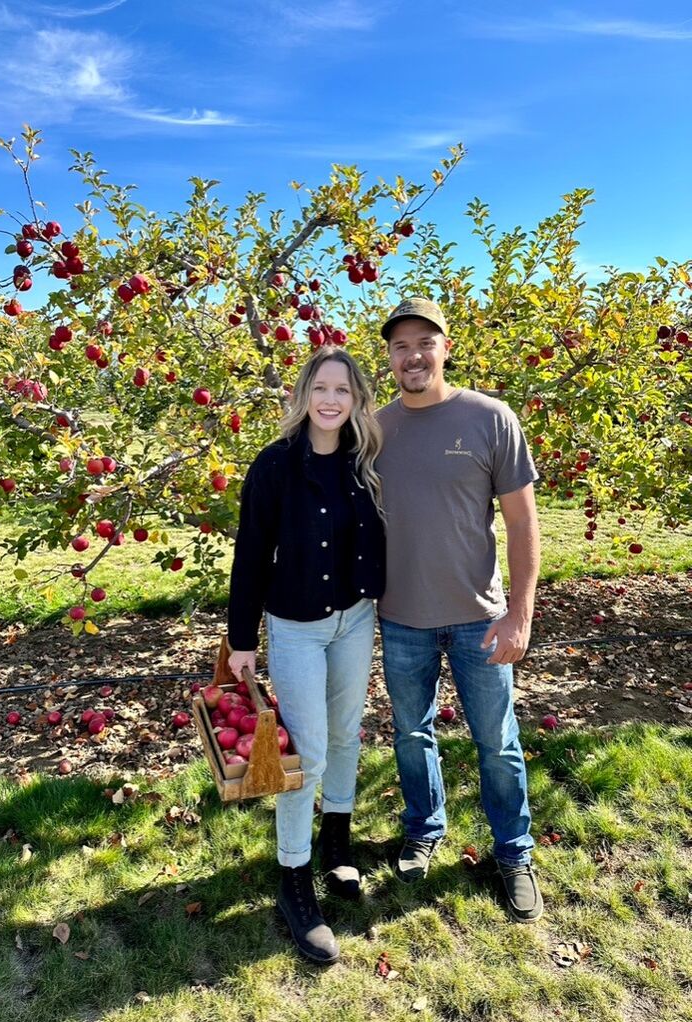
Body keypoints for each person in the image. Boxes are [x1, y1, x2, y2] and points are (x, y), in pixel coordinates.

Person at [375, 297, 543, 923]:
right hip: (400, 616)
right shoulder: (376, 427)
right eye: (400, 346)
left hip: (479, 616)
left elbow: (524, 524)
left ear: (446, 347)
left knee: (496, 741)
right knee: (411, 733)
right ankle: (424, 826)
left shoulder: (490, 418)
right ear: (389, 356)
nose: (413, 355)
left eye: (425, 342)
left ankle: (514, 850)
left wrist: (519, 613)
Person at [227, 345, 386, 964]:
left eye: (342, 391)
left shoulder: (365, 461)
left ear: (356, 400)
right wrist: (242, 640)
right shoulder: (274, 466)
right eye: (321, 387)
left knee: (345, 735)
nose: (330, 400)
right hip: (294, 626)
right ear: (303, 394)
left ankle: (337, 845)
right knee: (307, 752)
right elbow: (250, 554)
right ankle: (294, 876)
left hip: (355, 618)